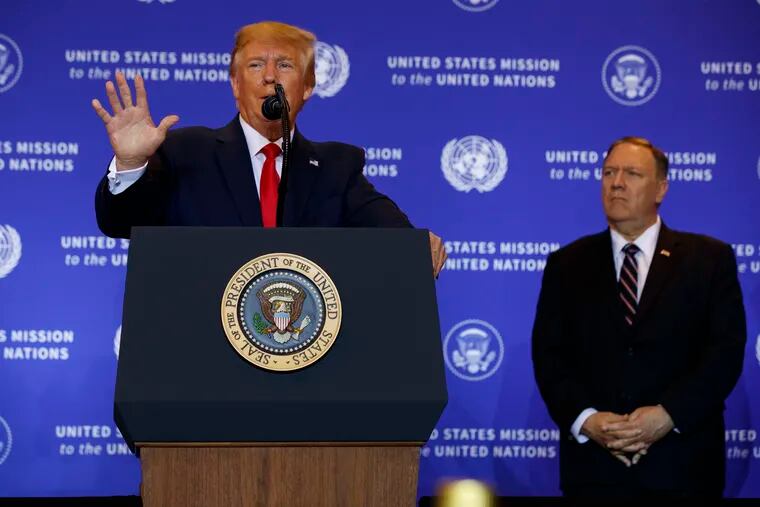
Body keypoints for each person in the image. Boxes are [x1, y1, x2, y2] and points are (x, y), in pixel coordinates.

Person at [92, 21, 446, 276]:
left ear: (307, 87)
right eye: (256, 64)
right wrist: (131, 162)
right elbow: (118, 223)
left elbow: (393, 236)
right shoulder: (185, 151)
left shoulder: (337, 168)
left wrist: (417, 246)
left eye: (285, 65)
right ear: (235, 83)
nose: (270, 76)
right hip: (201, 345)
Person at [531, 136, 746, 498]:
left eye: (631, 173)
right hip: (595, 470)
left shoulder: (709, 260)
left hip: (683, 466)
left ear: (661, 188)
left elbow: (724, 353)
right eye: (609, 173)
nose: (616, 183)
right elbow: (549, 357)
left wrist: (667, 415)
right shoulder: (567, 263)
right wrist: (589, 420)